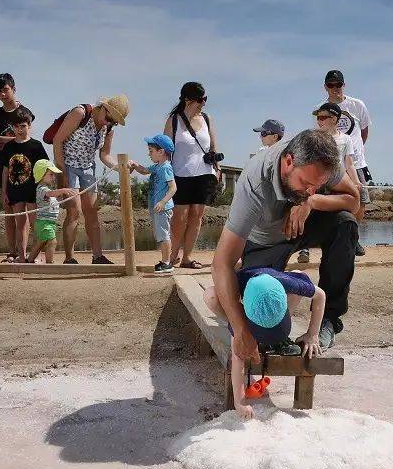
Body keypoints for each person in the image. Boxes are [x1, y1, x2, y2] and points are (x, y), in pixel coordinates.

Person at [213, 128, 359, 378]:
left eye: (319, 185)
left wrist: (310, 202)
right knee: (252, 295)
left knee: (345, 223)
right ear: (289, 161)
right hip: (265, 240)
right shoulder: (254, 183)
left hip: (303, 224)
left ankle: (329, 321)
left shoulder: (323, 160)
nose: (312, 189)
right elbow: (221, 263)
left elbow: (353, 201)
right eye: (306, 183)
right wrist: (240, 330)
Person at [204, 268, 325, 419]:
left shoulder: (288, 284)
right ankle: (255, 331)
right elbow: (238, 357)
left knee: (299, 274)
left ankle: (275, 334)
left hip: (275, 280)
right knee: (211, 296)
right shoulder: (238, 313)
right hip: (242, 292)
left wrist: (312, 334)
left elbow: (320, 294)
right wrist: (240, 402)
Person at [51, 95, 130, 264]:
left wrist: (118, 167)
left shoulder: (108, 128)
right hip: (68, 166)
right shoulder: (80, 113)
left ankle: (98, 256)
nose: (109, 123)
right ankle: (69, 258)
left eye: (114, 122)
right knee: (74, 212)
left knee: (92, 212)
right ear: (103, 108)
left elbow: (105, 155)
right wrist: (62, 172)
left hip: (88, 168)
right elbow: (57, 141)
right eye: (109, 118)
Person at [165, 82, 223, 270]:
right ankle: (172, 255)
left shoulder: (206, 118)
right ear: (187, 99)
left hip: (204, 174)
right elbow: (165, 151)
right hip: (180, 174)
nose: (203, 103)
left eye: (205, 99)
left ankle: (187, 257)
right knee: (179, 217)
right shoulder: (174, 120)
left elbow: (213, 146)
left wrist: (218, 169)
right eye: (200, 99)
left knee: (197, 216)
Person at [297, 102, 364, 263]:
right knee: (308, 209)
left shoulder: (346, 140)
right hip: (317, 182)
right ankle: (304, 249)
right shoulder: (313, 138)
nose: (319, 121)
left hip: (338, 182)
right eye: (317, 118)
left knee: (347, 211)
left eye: (322, 117)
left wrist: (355, 182)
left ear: (334, 119)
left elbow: (349, 164)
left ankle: (351, 243)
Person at [321, 69, 372, 255]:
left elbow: (364, 131)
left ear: (344, 85)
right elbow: (319, 134)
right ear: (325, 87)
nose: (335, 89)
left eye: (338, 85)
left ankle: (354, 239)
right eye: (331, 85)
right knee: (331, 200)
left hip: (356, 162)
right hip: (332, 165)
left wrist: (353, 149)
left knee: (361, 199)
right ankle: (332, 240)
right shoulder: (321, 108)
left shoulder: (357, 105)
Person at [0, 73, 36, 261]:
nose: (2, 94)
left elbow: (26, 140)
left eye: (5, 89)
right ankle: (12, 251)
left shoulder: (25, 112)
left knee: (23, 212)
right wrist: (7, 141)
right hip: (1, 165)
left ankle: (23, 252)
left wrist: (3, 140)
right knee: (8, 211)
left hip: (23, 168)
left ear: (13, 89)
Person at [0, 106, 48, 262]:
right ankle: (21, 256)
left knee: (35, 224)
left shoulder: (36, 146)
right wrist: (4, 192)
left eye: (23, 126)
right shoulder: (9, 146)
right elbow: (5, 171)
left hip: (32, 191)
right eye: (17, 126)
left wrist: (43, 189)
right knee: (20, 224)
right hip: (14, 190)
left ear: (29, 125)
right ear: (13, 127)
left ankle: (38, 255)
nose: (20, 129)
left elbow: (45, 168)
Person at [129, 134, 178, 274]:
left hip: (163, 207)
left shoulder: (166, 168)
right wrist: (134, 164)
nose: (149, 154)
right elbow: (144, 171)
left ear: (161, 152)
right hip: (157, 207)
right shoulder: (157, 166)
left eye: (151, 151)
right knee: (161, 235)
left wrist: (163, 201)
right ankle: (165, 261)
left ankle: (167, 263)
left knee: (164, 235)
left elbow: (173, 187)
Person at [26, 159, 78, 264]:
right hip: (44, 222)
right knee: (52, 242)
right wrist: (63, 190)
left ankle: (29, 260)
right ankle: (50, 263)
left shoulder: (48, 188)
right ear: (42, 174)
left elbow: (52, 198)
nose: (53, 177)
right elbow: (50, 194)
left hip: (48, 222)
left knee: (41, 242)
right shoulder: (42, 188)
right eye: (51, 174)